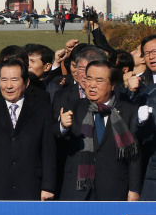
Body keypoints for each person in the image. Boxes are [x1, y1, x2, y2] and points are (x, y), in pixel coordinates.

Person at [0, 59, 56, 200]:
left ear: (26, 83)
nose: (9, 86)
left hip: (30, 186)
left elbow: (49, 151)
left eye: (14, 80)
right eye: (4, 80)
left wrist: (48, 186)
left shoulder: (42, 110)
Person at [58, 60, 141, 201]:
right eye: (89, 79)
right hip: (77, 189)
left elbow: (134, 156)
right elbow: (56, 143)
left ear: (112, 85)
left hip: (114, 189)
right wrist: (63, 127)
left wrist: (134, 189)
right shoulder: (74, 107)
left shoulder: (128, 111)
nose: (92, 85)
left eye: (99, 80)